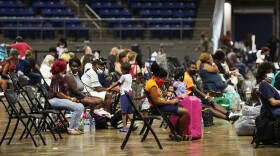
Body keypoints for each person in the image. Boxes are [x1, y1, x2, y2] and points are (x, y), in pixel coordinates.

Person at [146, 62, 190, 141]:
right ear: (158, 77)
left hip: (158, 106)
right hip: (157, 108)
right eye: (162, 78)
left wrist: (167, 98)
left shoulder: (152, 82)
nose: (163, 81)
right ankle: (179, 134)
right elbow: (156, 102)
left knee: (181, 108)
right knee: (185, 112)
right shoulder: (152, 85)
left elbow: (157, 99)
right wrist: (170, 102)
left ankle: (175, 133)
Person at [48, 59, 84, 135]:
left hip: (59, 99)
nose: (67, 68)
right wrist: (70, 99)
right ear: (63, 67)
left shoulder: (61, 77)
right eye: (66, 66)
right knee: (78, 107)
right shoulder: (56, 77)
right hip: (53, 99)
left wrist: (73, 99)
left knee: (80, 106)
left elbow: (63, 93)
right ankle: (71, 129)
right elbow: (58, 93)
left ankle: (74, 127)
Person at [107, 63, 138, 132]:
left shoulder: (123, 76)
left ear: (123, 70)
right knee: (129, 111)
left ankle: (124, 127)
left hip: (125, 94)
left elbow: (117, 83)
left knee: (123, 112)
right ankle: (133, 124)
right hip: (130, 93)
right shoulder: (130, 75)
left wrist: (110, 88)